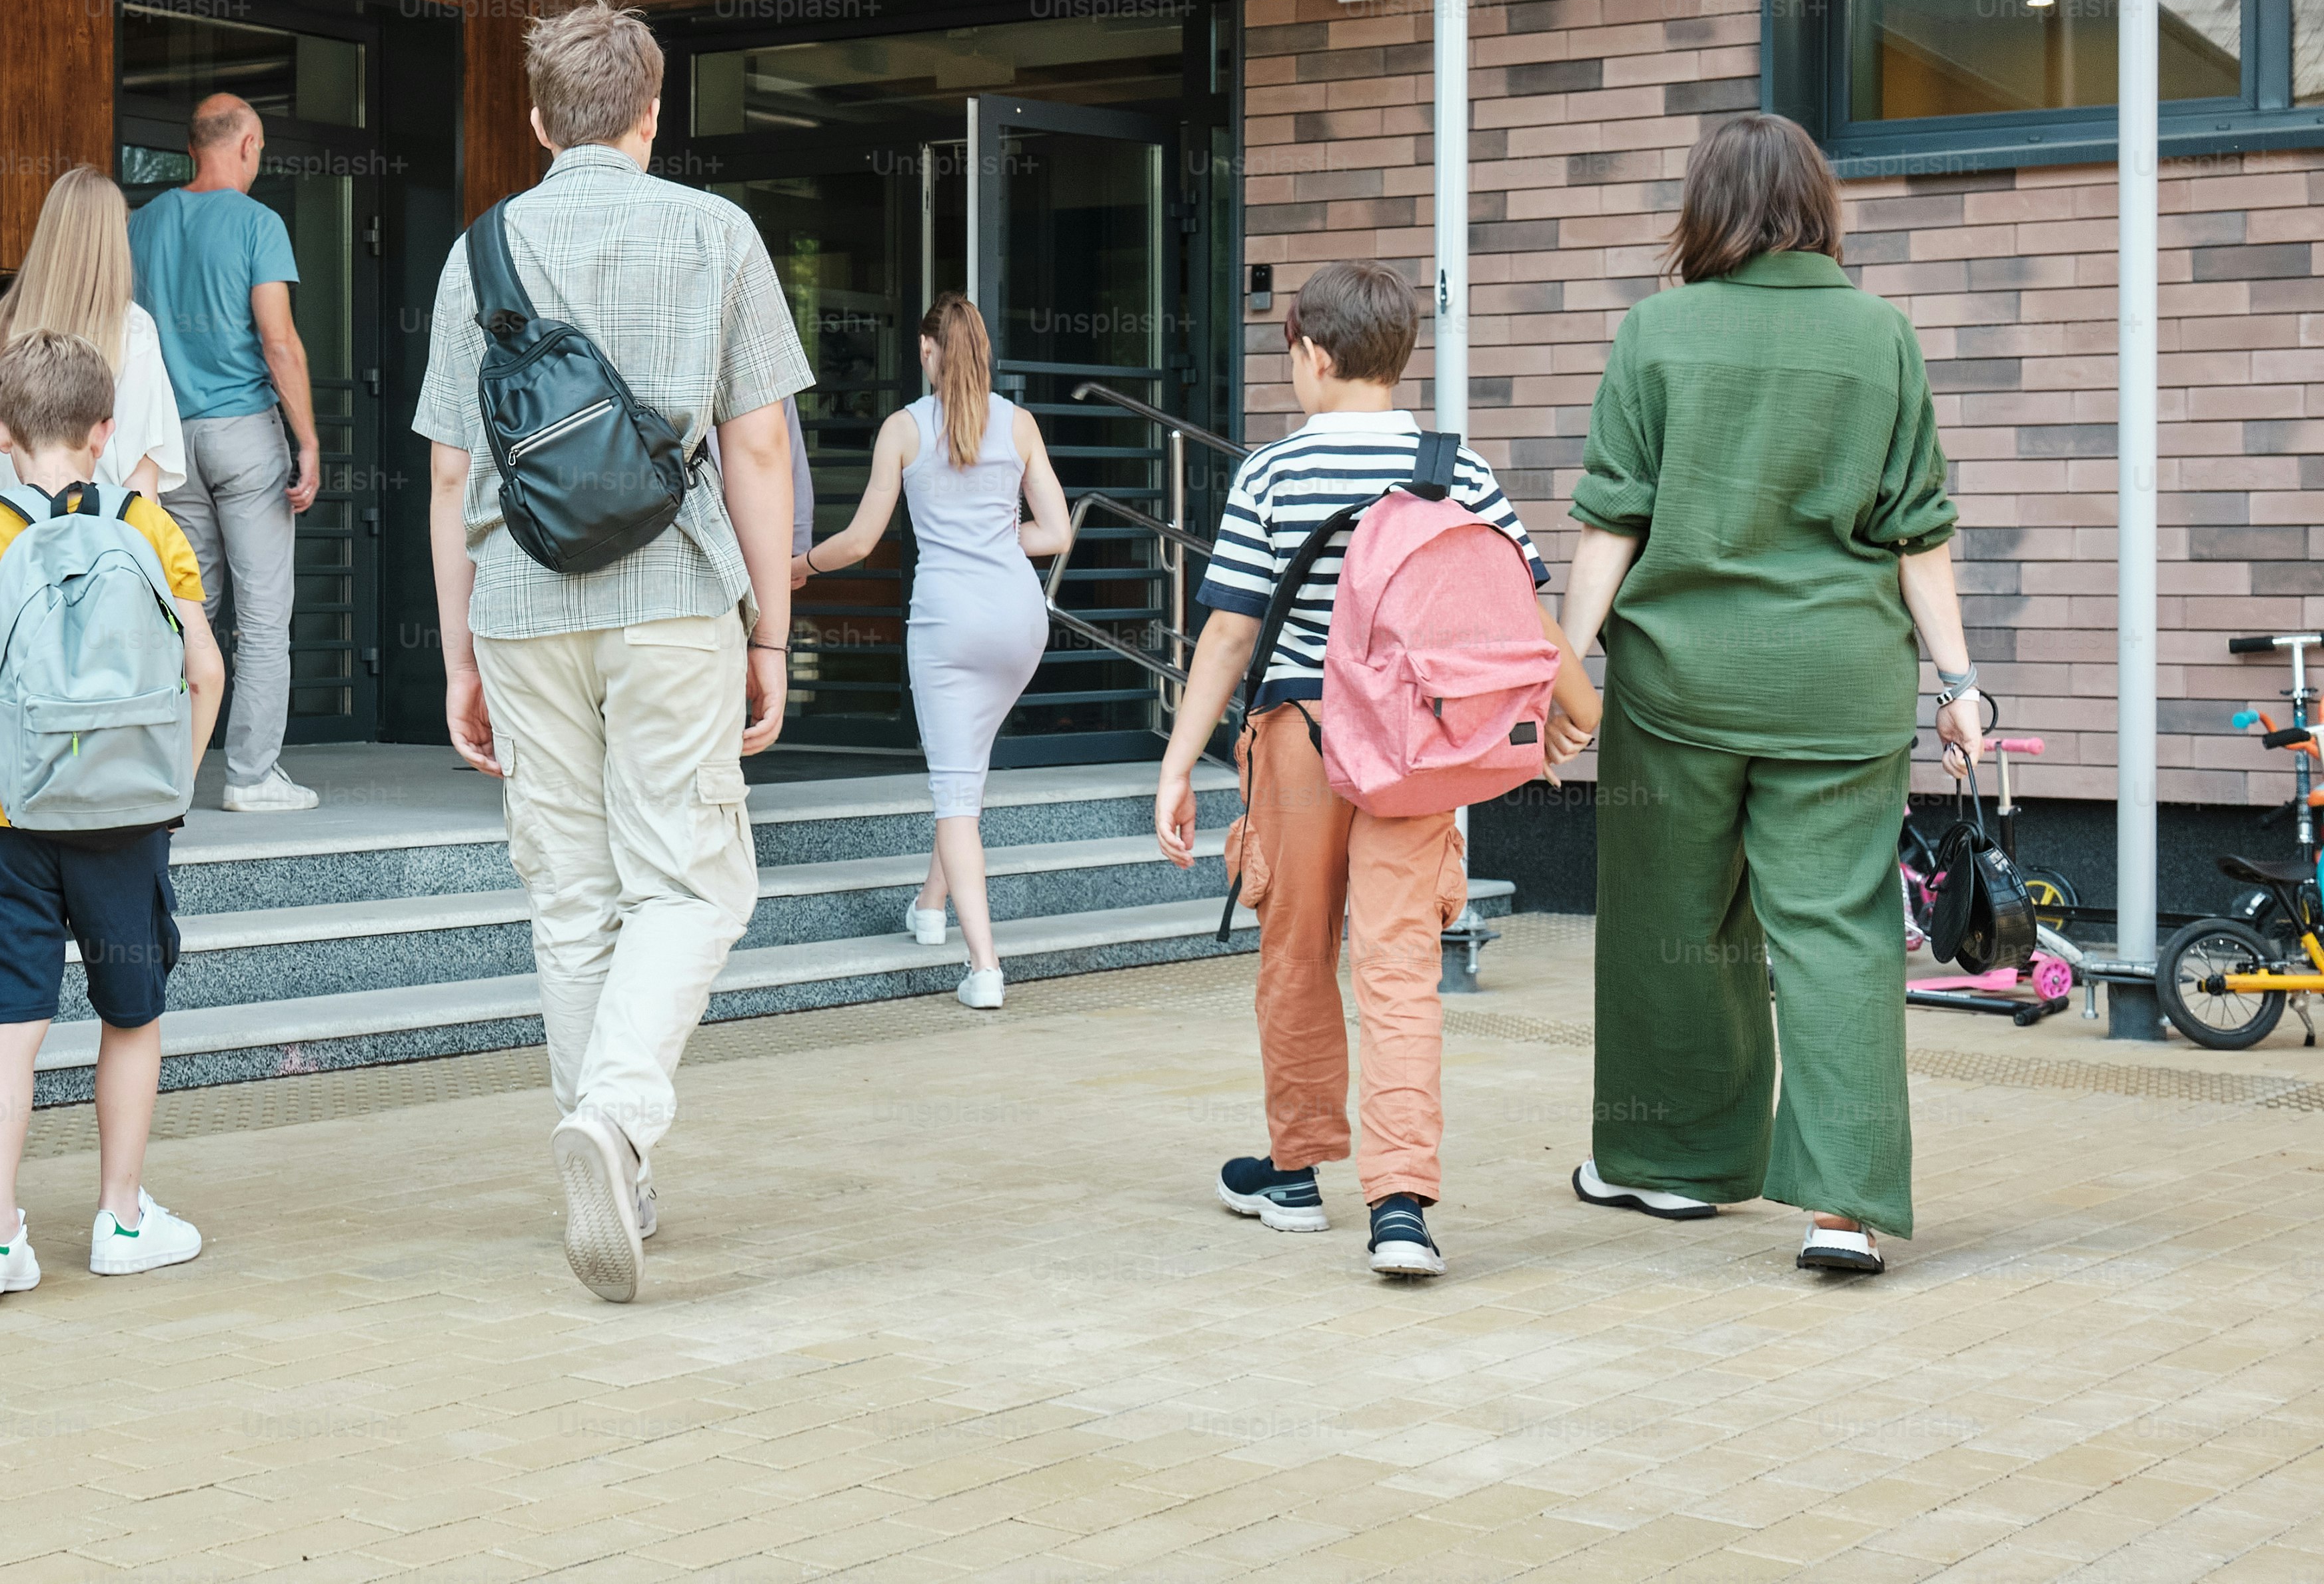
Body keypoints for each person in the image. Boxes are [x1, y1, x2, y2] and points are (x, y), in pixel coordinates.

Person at [413, 0, 812, 1305]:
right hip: (672, 599)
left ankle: (613, 1172)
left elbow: (451, 474)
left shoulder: (480, 253)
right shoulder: (718, 235)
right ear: (652, 114)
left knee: (573, 901)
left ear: (537, 120)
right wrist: (772, 624)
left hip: (521, 608)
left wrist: (459, 655)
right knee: (694, 881)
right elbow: (757, 449)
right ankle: (618, 1120)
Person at [1558, 113, 1984, 1277]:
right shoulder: (1880, 336)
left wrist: (1566, 661)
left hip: (1679, 685)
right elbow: (1919, 535)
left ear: (1706, 207)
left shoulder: (1656, 331)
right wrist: (1961, 684)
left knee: (1671, 923)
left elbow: (1612, 516)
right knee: (1840, 931)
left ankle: (1675, 1167)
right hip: (1839, 687)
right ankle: (1840, 1208)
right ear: (1816, 203)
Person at [1152, 260, 1600, 1281]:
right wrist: (1579, 713)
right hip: (1415, 749)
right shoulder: (1460, 470)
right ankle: (1401, 1208)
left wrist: (1179, 763)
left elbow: (1229, 634)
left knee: (1296, 951)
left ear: (1312, 353)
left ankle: (1298, 1171)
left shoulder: (1271, 472)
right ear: (1398, 357)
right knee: (1400, 970)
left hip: (1304, 740)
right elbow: (1522, 614)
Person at [0, 333, 225, 1296]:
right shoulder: (151, 525)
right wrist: (171, 785)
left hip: (6, 812)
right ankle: (120, 1217)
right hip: (126, 819)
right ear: (107, 429)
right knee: (131, 1016)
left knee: (9, 1023)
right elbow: (206, 671)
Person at [804, 295, 1071, 1008]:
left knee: (956, 796)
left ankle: (983, 968)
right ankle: (928, 907)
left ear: (927, 353)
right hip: (1018, 622)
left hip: (948, 626)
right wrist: (994, 541)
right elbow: (1056, 533)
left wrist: (801, 566)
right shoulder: (1017, 425)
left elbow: (860, 541)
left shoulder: (902, 429)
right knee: (966, 773)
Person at [129, 93, 321, 812]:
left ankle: (164, 773)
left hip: (167, 444)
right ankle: (249, 776)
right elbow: (278, 341)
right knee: (264, 615)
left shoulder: (139, 225)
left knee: (185, 610)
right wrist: (306, 439)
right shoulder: (257, 224)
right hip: (242, 433)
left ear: (189, 148)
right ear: (245, 146)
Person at [0, 164, 185, 509]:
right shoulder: (132, 328)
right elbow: (139, 475)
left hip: (0, 542)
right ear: (115, 239)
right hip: (92, 547)